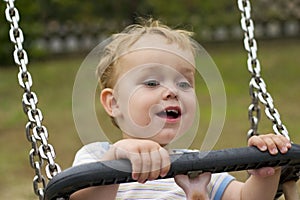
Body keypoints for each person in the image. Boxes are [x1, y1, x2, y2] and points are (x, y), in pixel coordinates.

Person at [70, 19, 291, 200]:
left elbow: (244, 198)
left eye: (184, 83)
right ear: (113, 103)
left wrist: (266, 174)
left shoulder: (197, 165)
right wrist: (117, 158)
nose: (172, 91)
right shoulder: (96, 156)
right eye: (151, 83)